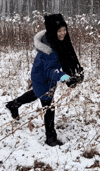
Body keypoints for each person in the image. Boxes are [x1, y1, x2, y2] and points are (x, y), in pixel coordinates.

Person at [6, 14, 84, 146]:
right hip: (42, 77)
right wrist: (65, 78)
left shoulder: (57, 41)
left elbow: (65, 59)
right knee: (49, 107)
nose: (63, 33)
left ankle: (13, 104)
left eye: (64, 29)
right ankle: (50, 138)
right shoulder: (48, 48)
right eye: (59, 30)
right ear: (53, 31)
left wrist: (75, 72)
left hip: (47, 78)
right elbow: (51, 70)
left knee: (36, 94)